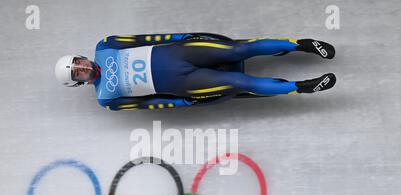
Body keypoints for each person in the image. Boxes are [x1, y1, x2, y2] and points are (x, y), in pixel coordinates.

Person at [55, 33, 336, 111]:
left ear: (82, 57)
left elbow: (146, 39)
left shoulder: (105, 45)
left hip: (181, 51)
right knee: (238, 81)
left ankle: (301, 45)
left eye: (78, 62)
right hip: (185, 83)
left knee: (237, 50)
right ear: (78, 82)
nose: (83, 67)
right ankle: (302, 86)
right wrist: (184, 102)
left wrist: (185, 37)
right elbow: (149, 104)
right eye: (77, 73)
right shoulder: (107, 98)